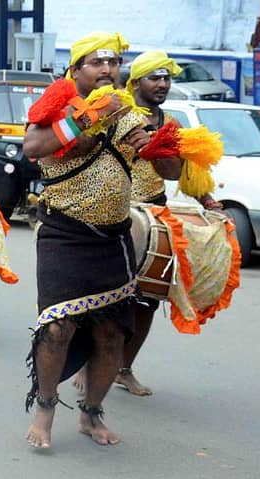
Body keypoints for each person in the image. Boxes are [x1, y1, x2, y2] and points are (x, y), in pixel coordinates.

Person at [21, 32, 151, 449]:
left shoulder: (127, 112)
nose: (107, 69)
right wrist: (89, 116)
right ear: (75, 70)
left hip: (113, 238)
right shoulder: (58, 106)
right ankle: (45, 407)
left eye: (113, 62)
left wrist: (160, 146)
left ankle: (91, 413)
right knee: (57, 328)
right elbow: (33, 145)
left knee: (112, 334)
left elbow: (167, 169)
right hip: (64, 233)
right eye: (97, 62)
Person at [70, 50, 224, 398]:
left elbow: (183, 172)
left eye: (166, 78)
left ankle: (123, 369)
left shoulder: (172, 124)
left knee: (148, 300)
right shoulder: (117, 113)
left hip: (155, 215)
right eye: (155, 77)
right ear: (137, 82)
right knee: (100, 296)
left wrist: (209, 202)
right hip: (114, 212)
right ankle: (84, 362)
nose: (162, 84)